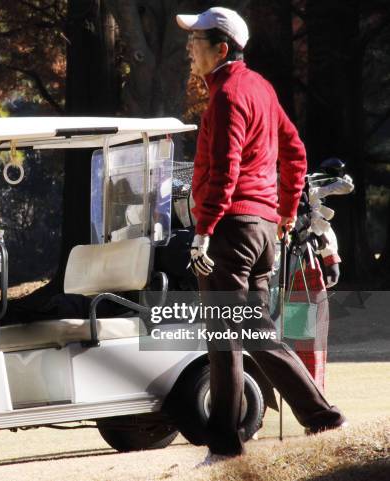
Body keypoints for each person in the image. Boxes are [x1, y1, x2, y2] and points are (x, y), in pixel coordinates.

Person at [175, 7, 347, 464]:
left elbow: (226, 169)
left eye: (197, 40)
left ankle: (225, 445)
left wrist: (203, 231)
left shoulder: (228, 96)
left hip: (228, 229)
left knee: (224, 336)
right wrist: (286, 213)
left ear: (221, 49)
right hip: (262, 229)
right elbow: (295, 152)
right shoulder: (262, 90)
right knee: (255, 331)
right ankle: (322, 417)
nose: (190, 47)